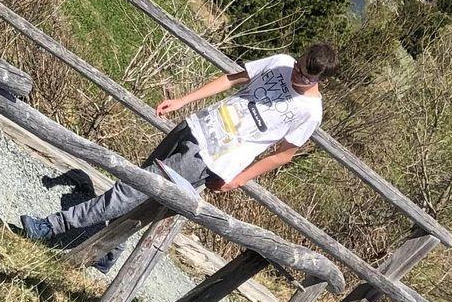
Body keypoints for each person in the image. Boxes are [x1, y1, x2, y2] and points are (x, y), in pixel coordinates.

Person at [19, 42, 338, 250]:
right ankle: (106, 251)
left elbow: (283, 155)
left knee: (130, 190)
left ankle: (52, 226)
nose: (295, 75)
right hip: (195, 126)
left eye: (304, 76)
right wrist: (183, 101)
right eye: (297, 66)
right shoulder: (281, 62)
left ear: (319, 79)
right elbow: (232, 79)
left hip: (208, 158)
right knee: (137, 182)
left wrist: (238, 179)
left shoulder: (310, 112)